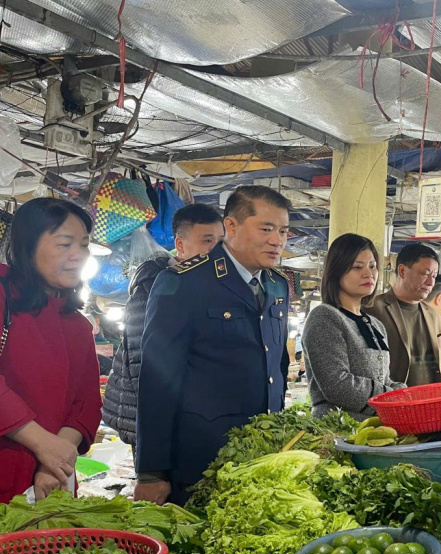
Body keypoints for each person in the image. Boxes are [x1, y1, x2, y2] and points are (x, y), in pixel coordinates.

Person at [134, 186, 291, 505]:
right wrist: (152, 472)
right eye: (266, 229)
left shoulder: (277, 286)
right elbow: (157, 382)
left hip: (262, 458)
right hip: (200, 462)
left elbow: (277, 368)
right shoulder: (185, 282)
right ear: (231, 227)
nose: (277, 240)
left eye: (283, 231)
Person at [0, 198, 101, 503]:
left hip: (48, 483)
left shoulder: (78, 325)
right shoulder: (3, 293)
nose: (78, 255)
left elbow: (86, 406)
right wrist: (42, 442)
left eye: (83, 244)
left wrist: (55, 459)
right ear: (28, 246)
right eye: (64, 243)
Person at [102, 204, 224, 446]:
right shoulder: (154, 285)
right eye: (207, 241)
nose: (216, 250)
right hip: (151, 419)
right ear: (180, 245)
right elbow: (141, 362)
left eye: (221, 241)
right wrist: (158, 426)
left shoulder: (208, 285)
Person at [301, 233, 404, 421]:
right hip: (337, 431)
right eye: (357, 267)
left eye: (372, 266)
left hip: (374, 430)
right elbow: (337, 385)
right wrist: (390, 397)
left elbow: (384, 379)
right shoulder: (324, 317)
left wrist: (401, 392)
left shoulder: (376, 325)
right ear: (336, 271)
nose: (368, 273)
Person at [365, 243, 441, 386]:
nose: (430, 282)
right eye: (425, 274)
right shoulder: (373, 310)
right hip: (393, 401)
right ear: (402, 270)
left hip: (430, 403)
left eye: (434, 276)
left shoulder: (434, 316)